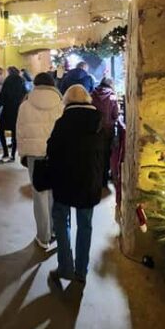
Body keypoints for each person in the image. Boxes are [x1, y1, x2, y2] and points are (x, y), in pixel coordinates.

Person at [47, 85, 104, 284]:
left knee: (61, 222)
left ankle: (65, 266)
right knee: (85, 225)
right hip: (89, 181)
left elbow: (51, 151)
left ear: (67, 100)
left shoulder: (62, 123)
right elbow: (105, 151)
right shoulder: (98, 120)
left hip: (64, 180)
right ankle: (81, 271)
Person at [16, 72, 62, 249]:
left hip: (35, 155)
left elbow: (20, 131)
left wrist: (23, 154)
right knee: (54, 193)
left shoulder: (26, 104)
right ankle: (55, 230)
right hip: (55, 154)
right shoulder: (60, 103)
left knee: (39, 194)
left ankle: (43, 237)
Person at [0, 66, 28, 164]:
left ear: (9, 72)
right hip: (17, 110)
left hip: (7, 109)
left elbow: (2, 95)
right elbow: (26, 94)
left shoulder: (8, 80)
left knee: (0, 129)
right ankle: (13, 155)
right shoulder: (22, 80)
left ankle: (5, 152)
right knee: (15, 133)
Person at [91, 77, 120, 185]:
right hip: (107, 131)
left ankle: (96, 178)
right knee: (106, 154)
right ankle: (104, 179)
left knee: (96, 154)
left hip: (94, 130)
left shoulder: (91, 94)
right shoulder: (112, 96)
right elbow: (115, 115)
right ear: (111, 85)